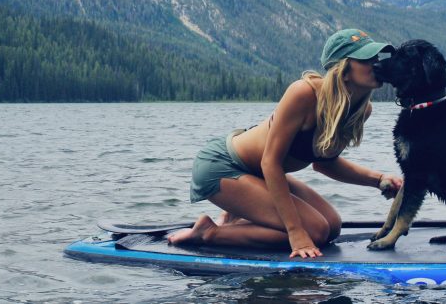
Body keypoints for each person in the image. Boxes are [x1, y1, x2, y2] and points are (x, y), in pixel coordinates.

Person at [168, 28, 403, 258]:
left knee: (332, 225)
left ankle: (235, 217)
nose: (377, 65)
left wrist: (378, 180)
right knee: (316, 231)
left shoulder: (361, 110)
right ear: (343, 69)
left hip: (256, 173)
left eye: (377, 58)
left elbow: (325, 164)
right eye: (367, 60)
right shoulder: (304, 93)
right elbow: (270, 162)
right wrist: (295, 232)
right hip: (222, 167)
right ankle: (209, 232)